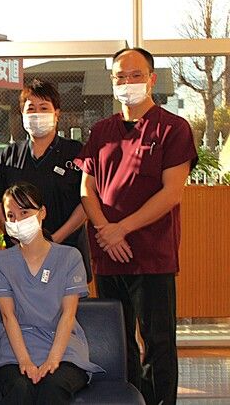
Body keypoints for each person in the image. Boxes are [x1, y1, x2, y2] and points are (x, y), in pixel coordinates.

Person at [74, 47, 198, 405]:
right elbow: (87, 189)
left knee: (158, 343)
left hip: (152, 257)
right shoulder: (101, 131)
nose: (127, 82)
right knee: (117, 342)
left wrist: (121, 229)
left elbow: (171, 193)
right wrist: (105, 230)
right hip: (108, 256)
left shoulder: (173, 128)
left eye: (135, 75)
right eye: (120, 77)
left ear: (152, 79)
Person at [0, 182, 102, 405]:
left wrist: (53, 361)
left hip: (63, 350)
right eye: (11, 216)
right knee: (20, 388)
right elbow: (8, 317)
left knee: (52, 386)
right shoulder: (1, 262)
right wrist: (25, 362)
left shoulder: (70, 257)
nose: (17, 221)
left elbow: (68, 315)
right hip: (15, 351)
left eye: (24, 212)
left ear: (42, 212)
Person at [0, 80, 91, 282]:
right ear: (22, 114)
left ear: (57, 113)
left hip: (66, 249)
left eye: (44, 108)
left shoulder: (76, 152)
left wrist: (54, 240)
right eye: (31, 109)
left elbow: (86, 201)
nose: (37, 114)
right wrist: (14, 236)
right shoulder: (10, 155)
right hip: (21, 254)